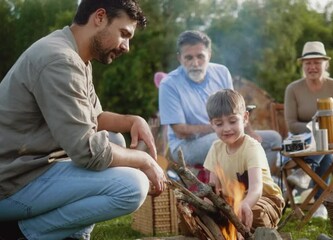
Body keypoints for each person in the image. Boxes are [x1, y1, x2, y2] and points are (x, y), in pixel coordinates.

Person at [0, 1, 167, 239]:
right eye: (124, 34)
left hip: (29, 169)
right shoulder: (59, 60)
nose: (127, 47)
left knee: (114, 139)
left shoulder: (75, 54)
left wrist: (132, 120)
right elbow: (89, 152)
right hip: (9, 185)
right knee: (132, 187)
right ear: (99, 17)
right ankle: (21, 232)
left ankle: (72, 234)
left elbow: (94, 118)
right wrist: (143, 160)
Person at [158, 30, 282, 170]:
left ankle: (257, 185)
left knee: (273, 139)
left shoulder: (221, 72)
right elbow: (180, 131)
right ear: (179, 58)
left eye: (200, 56)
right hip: (185, 146)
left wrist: (250, 132)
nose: (195, 63)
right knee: (224, 140)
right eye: (189, 58)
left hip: (222, 132)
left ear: (209, 55)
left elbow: (236, 109)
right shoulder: (168, 84)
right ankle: (237, 184)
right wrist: (220, 128)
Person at [203, 89, 284, 233]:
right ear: (212, 124)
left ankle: (253, 228)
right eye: (219, 124)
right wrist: (206, 208)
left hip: (263, 200)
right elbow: (214, 189)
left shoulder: (251, 147)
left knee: (254, 213)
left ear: (245, 118)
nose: (227, 128)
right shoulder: (215, 148)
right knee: (205, 212)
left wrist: (245, 204)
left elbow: (256, 189)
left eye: (233, 121)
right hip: (234, 203)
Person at [284, 41, 333, 218]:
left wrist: (326, 120)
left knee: (328, 130)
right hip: (303, 138)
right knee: (328, 153)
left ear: (325, 64)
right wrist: (315, 127)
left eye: (317, 62)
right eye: (308, 63)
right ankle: (320, 203)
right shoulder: (293, 88)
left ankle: (306, 171)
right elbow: (291, 123)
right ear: (302, 65)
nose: (312, 67)